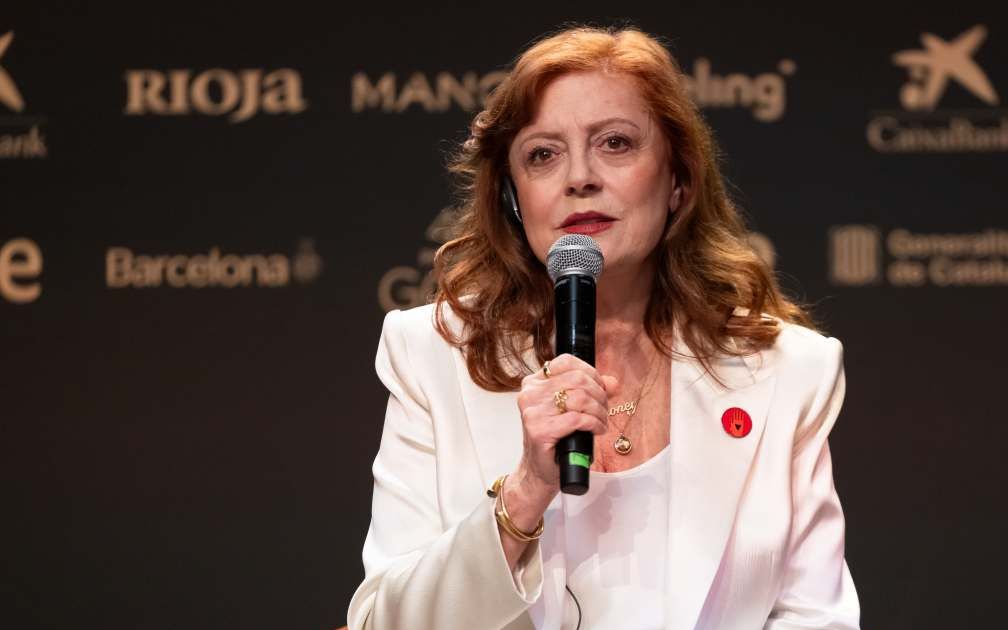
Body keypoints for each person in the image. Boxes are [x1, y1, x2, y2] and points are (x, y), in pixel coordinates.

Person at [347, 25, 859, 630]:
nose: (579, 177)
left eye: (615, 143)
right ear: (513, 198)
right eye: (543, 154)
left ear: (678, 181)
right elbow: (382, 622)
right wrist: (524, 493)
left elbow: (814, 617)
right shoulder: (432, 355)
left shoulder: (789, 371)